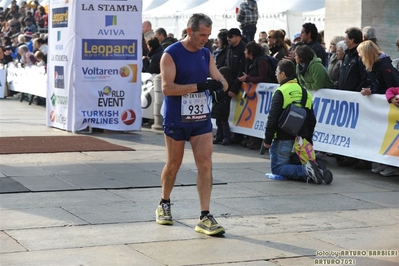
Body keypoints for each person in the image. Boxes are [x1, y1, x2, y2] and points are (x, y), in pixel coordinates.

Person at [157, 13, 228, 236]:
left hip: (200, 120)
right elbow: (167, 88)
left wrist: (221, 86)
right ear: (189, 31)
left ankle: (205, 215)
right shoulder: (171, 54)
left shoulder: (206, 54)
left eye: (208, 35)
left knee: (205, 163)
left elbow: (218, 77)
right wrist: (199, 86)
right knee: (173, 165)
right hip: (176, 120)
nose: (205, 39)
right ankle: (164, 202)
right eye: (201, 34)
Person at [263, 59, 332, 184]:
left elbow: (272, 118)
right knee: (292, 163)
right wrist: (308, 140)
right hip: (300, 138)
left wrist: (267, 139)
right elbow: (312, 120)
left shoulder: (281, 92)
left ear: (283, 74)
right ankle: (319, 170)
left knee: (277, 168)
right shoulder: (305, 92)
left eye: (277, 71)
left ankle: (305, 171)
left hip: (282, 137)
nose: (275, 74)